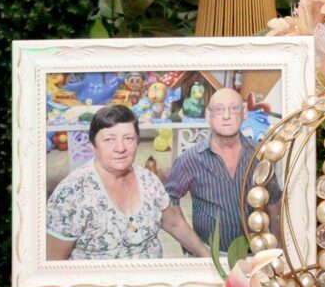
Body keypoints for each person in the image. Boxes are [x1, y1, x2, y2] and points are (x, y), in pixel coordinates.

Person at [47, 103, 203, 260]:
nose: (120, 148)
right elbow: (53, 262)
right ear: (93, 146)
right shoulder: (71, 194)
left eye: (128, 138)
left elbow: (174, 223)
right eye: (109, 139)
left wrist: (207, 256)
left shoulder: (148, 181)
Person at [163, 86, 278, 255]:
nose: (226, 116)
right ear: (208, 116)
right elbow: (168, 204)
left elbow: (274, 206)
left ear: (244, 113)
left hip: (253, 254)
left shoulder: (260, 157)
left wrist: (276, 251)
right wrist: (195, 247)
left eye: (234, 108)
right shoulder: (190, 159)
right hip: (208, 255)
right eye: (219, 110)